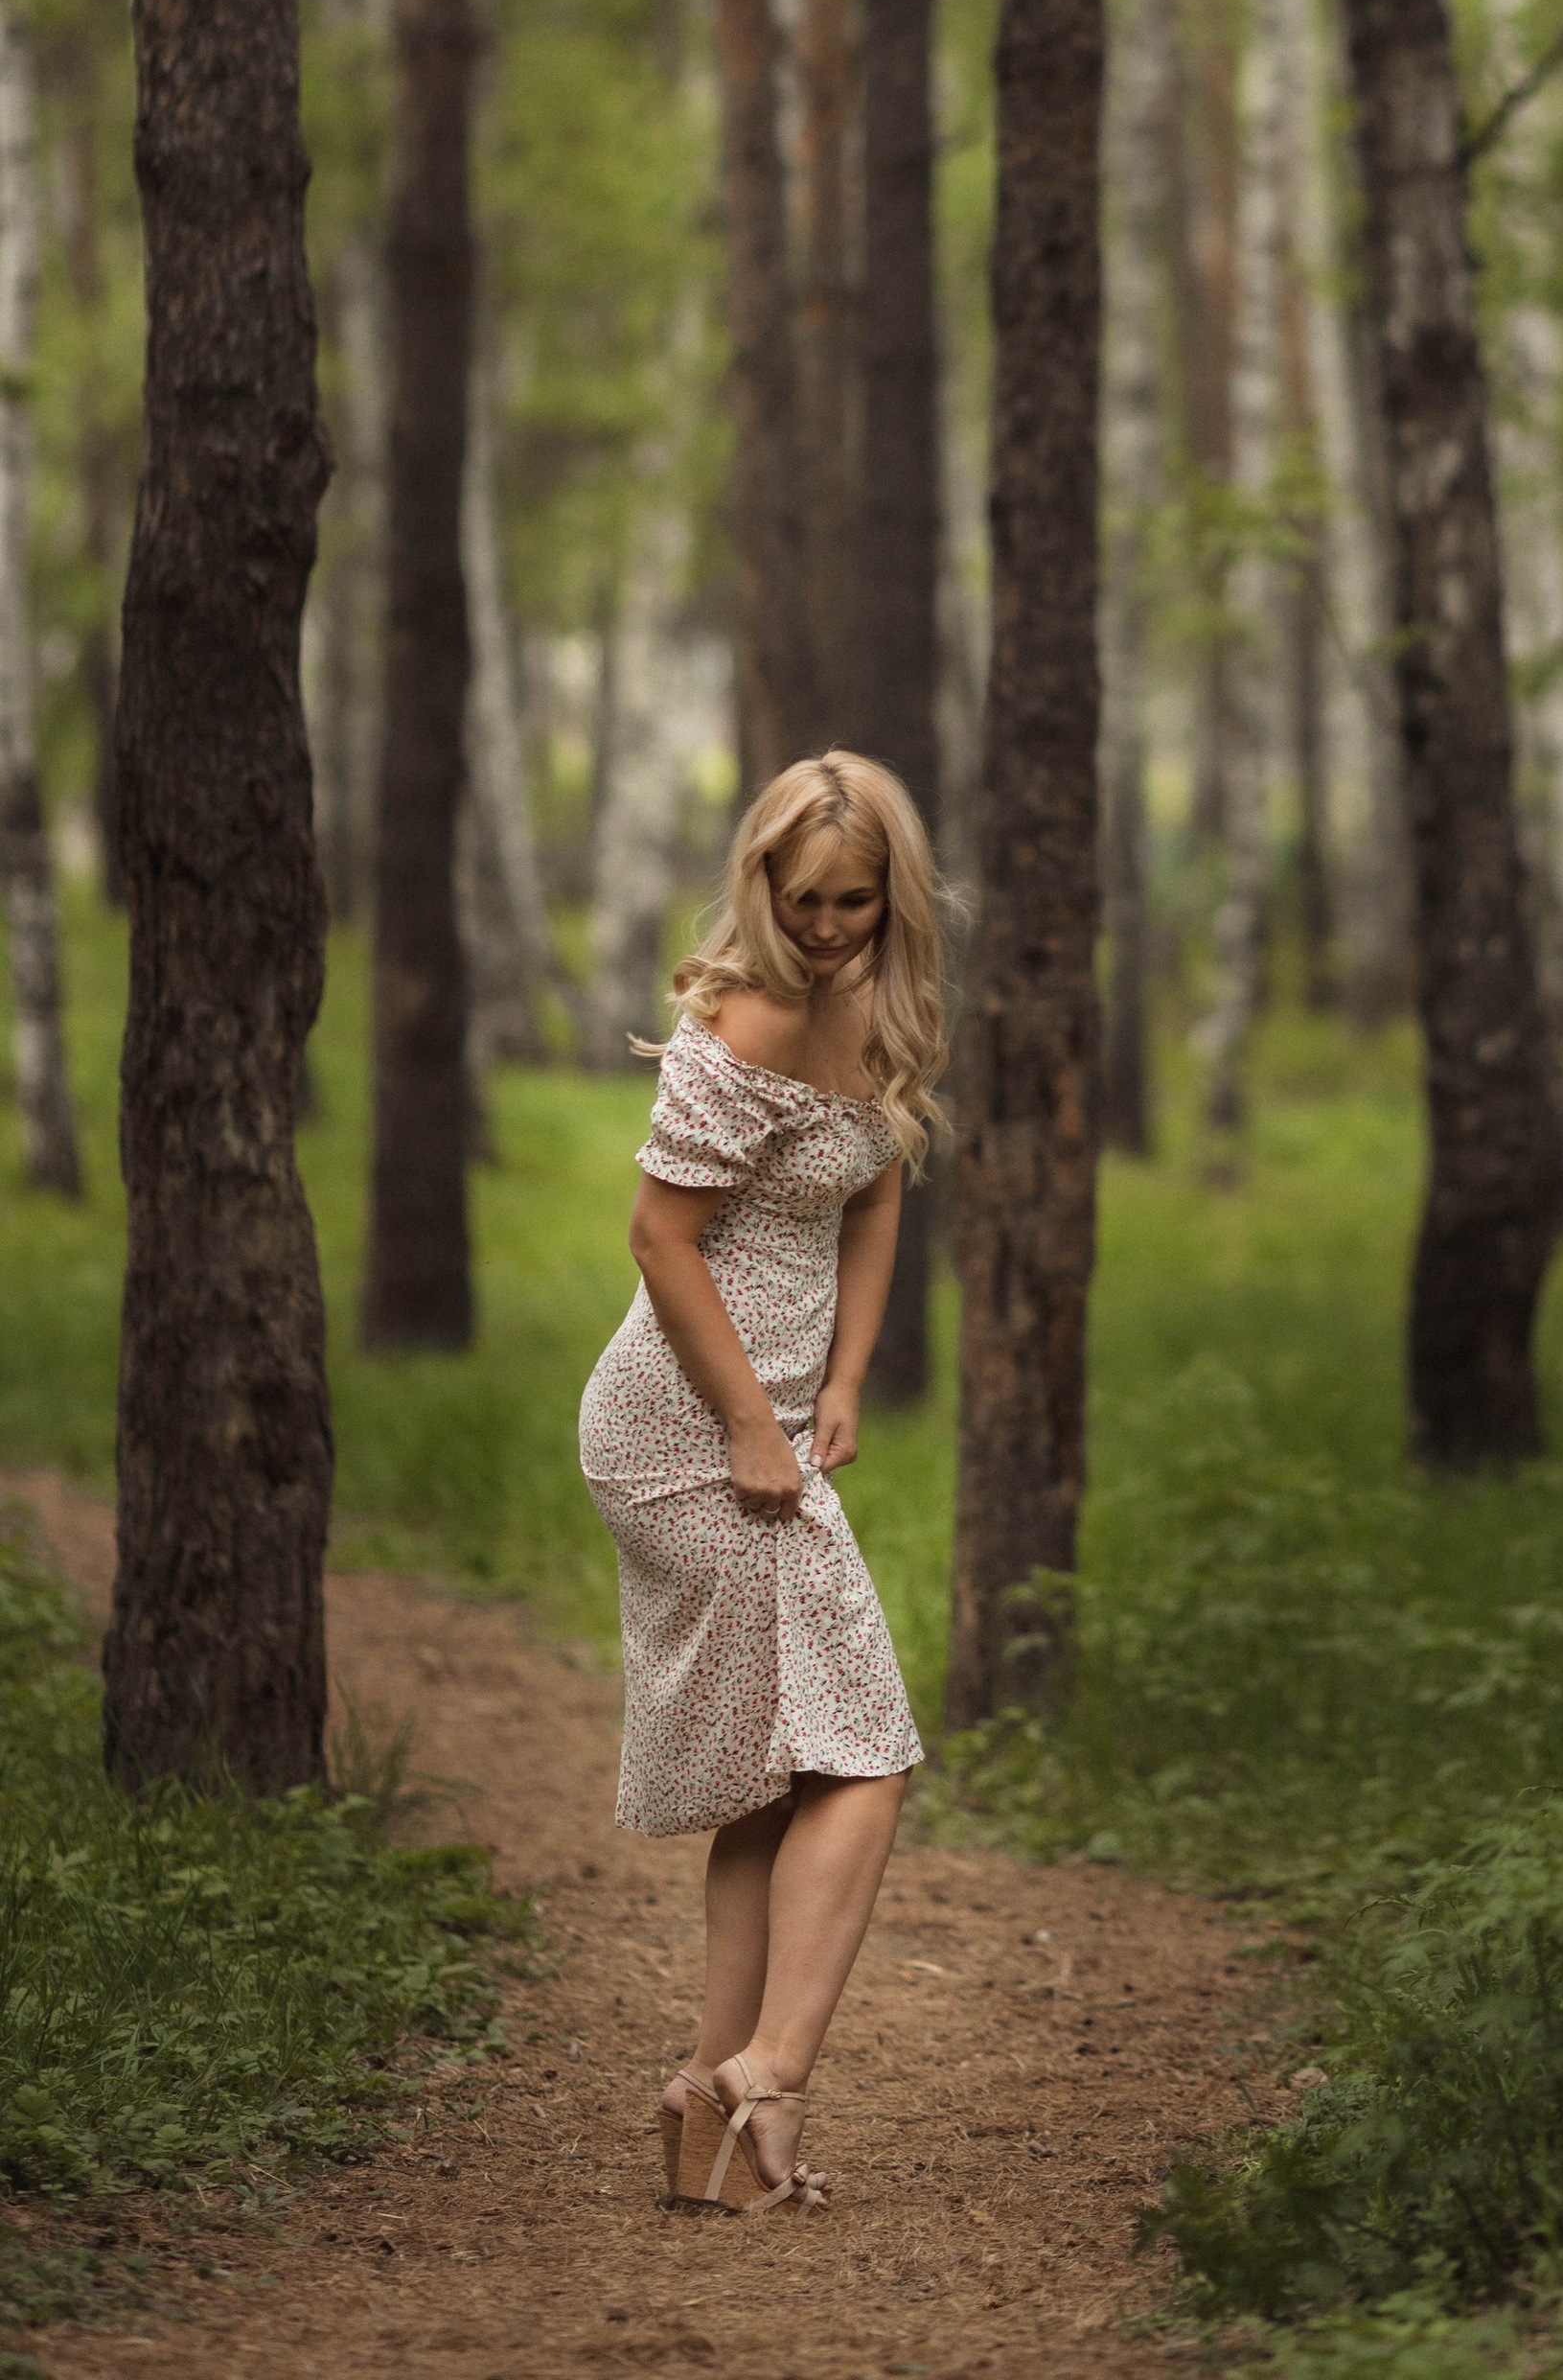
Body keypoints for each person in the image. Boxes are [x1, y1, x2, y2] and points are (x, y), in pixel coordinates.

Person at [579, 751, 944, 2213]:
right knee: (867, 1754)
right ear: (763, 885)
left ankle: (712, 2098)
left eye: (858, 901)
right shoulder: (754, 1012)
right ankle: (772, 2077)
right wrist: (749, 1423)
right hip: (686, 1424)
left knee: (778, 1772)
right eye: (805, 901)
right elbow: (661, 1240)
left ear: (892, 893)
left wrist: (847, 1377)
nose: (831, 927)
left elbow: (879, 1184)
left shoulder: (879, 1000)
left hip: (781, 1419)